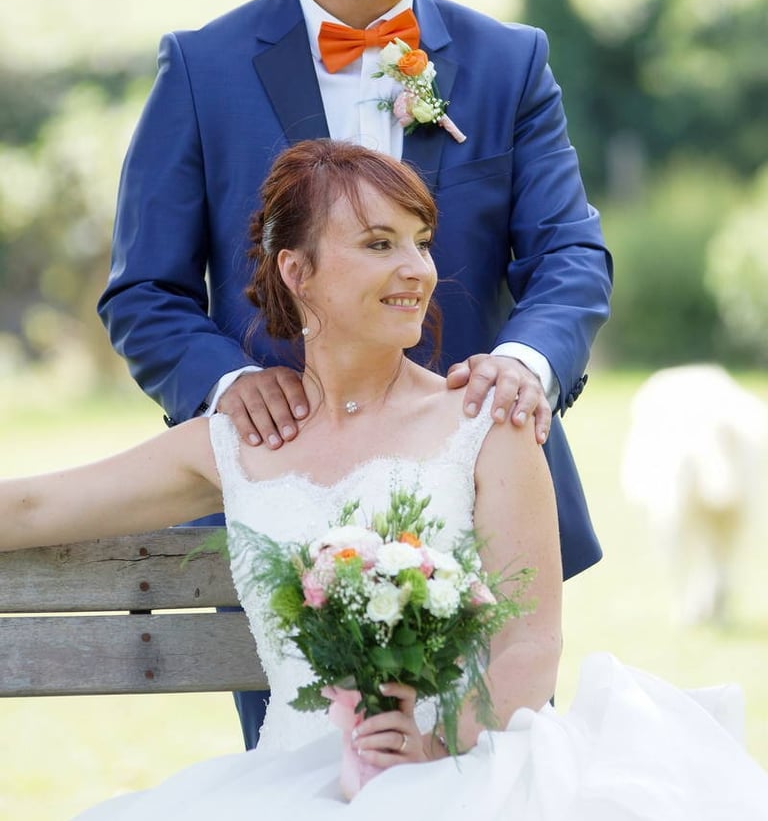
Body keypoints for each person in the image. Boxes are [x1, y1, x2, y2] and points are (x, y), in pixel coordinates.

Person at [5, 141, 766, 820]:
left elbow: (529, 646)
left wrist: (437, 748)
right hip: (295, 779)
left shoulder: (483, 422)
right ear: (296, 272)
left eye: (421, 242)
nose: (417, 269)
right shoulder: (234, 442)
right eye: (379, 244)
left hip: (467, 770)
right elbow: (37, 504)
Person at [97, 0, 612, 747]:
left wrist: (526, 369)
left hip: (476, 513)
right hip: (294, 535)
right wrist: (231, 384)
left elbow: (572, 255)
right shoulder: (204, 71)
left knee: (483, 763)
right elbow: (145, 292)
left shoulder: (509, 63)